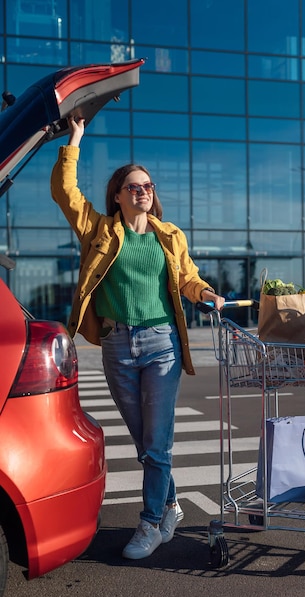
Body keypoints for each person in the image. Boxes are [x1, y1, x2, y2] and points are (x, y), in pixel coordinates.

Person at [50, 117, 225, 560]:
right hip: (117, 346)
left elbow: (187, 278)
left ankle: (150, 523)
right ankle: (170, 504)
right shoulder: (100, 230)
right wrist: (75, 140)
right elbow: (64, 193)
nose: (141, 191)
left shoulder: (170, 236)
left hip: (161, 344)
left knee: (157, 441)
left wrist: (204, 292)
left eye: (146, 185)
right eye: (132, 186)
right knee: (144, 439)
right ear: (117, 195)